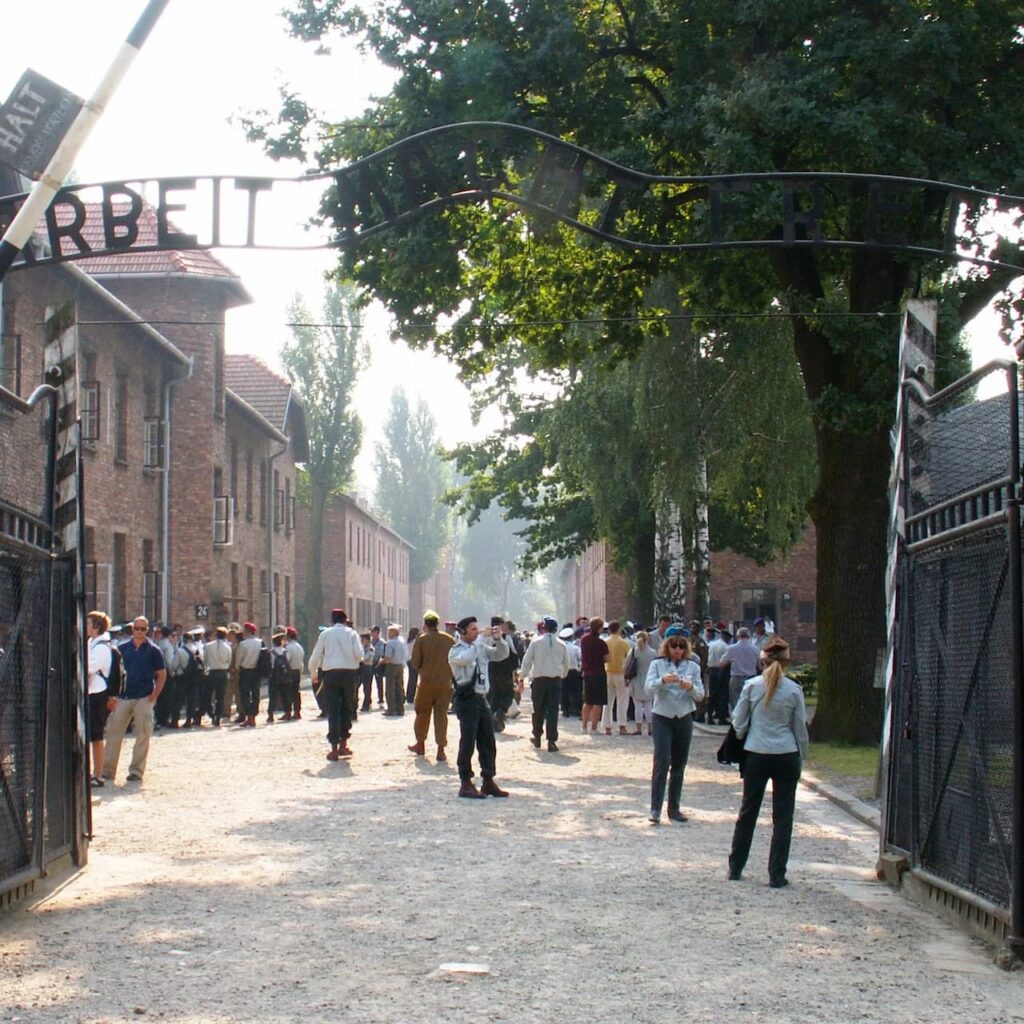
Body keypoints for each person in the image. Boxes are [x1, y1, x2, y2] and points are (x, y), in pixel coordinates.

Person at [728, 636, 809, 888]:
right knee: (783, 817)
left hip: (756, 753)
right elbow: (800, 729)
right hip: (786, 754)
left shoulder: (752, 686)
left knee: (748, 811)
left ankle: (736, 867)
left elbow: (738, 721)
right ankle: (776, 873)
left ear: (761, 661)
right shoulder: (794, 689)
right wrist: (801, 756)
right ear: (786, 662)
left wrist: (744, 737)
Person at [644, 633, 704, 824]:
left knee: (679, 763)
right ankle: (655, 808)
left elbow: (700, 695)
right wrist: (662, 681)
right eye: (673, 646)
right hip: (663, 715)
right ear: (667, 647)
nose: (677, 650)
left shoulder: (693, 667)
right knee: (661, 761)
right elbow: (648, 689)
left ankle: (674, 807)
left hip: (684, 716)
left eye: (680, 646)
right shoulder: (657, 665)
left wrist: (690, 687)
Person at [448, 616, 511, 798]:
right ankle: (465, 782)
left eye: (478, 629)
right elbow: (466, 660)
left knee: (488, 741)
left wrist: (499, 639)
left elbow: (500, 655)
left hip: (482, 698)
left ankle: (488, 780)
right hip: (467, 699)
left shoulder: (481, 647)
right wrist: (481, 640)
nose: (478, 632)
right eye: (473, 629)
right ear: (463, 632)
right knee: (468, 741)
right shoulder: (455, 651)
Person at [102, 616, 166, 783]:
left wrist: (155, 695)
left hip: (144, 697)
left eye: (142, 629)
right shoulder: (122, 648)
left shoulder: (153, 650)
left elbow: (161, 674)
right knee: (113, 733)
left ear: (147, 631)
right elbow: (113, 673)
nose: (139, 632)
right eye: (136, 628)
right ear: (132, 630)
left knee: (142, 735)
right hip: (123, 696)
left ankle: (136, 771)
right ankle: (108, 770)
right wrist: (112, 695)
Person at [307, 608, 363, 760]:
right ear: (345, 620)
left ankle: (333, 748)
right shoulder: (352, 634)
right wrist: (351, 661)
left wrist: (313, 673)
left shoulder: (325, 634)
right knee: (347, 708)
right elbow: (359, 655)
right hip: (349, 674)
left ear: (332, 621)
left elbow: (316, 655)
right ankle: (344, 743)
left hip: (331, 674)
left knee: (333, 710)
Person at [408, 611, 455, 761]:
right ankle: (441, 749)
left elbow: (415, 663)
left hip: (427, 682)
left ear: (425, 624)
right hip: (445, 683)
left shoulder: (421, 640)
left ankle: (420, 744)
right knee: (441, 715)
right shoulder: (449, 639)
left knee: (422, 713)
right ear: (437, 624)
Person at [520, 615, 569, 751]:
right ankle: (551, 740)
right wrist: (561, 676)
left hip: (539, 680)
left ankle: (537, 736)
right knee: (553, 711)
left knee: (538, 709)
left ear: (544, 628)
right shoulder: (561, 644)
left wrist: (521, 677)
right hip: (555, 681)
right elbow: (566, 665)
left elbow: (527, 661)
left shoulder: (535, 643)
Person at [85, 610, 115, 787]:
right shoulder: (92, 643)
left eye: (89, 624)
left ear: (97, 626)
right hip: (92, 692)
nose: (86, 627)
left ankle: (98, 774)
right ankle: (93, 771)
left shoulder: (102, 646)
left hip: (98, 693)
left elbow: (90, 667)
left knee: (97, 736)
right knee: (91, 734)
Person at [487, 616, 519, 732]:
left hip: (491, 671)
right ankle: (500, 713)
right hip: (504, 671)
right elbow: (514, 654)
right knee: (508, 695)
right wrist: (515, 670)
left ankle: (493, 723)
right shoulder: (505, 637)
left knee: (494, 695)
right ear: (500, 625)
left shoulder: (486, 638)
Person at [579, 617, 609, 735]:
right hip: (599, 673)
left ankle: (584, 726)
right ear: (600, 628)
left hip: (587, 673)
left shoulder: (584, 639)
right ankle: (594, 728)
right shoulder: (601, 642)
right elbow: (607, 658)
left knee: (587, 701)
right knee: (597, 702)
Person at [601, 620, 631, 736]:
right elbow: (629, 659)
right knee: (622, 700)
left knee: (608, 701)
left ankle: (607, 727)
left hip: (607, 672)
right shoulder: (624, 643)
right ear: (619, 629)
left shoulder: (605, 641)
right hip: (621, 673)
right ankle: (622, 726)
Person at [721, 626, 762, 712]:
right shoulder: (755, 649)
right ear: (749, 636)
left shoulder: (732, 648)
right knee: (750, 701)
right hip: (752, 677)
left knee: (736, 702)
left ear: (737, 636)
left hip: (737, 677)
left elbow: (722, 663)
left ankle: (736, 721)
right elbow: (760, 666)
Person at [627, 630, 659, 735]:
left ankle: (638, 728)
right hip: (649, 678)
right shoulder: (653, 652)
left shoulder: (633, 651)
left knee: (638, 706)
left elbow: (626, 664)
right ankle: (651, 728)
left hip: (636, 679)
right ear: (647, 639)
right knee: (649, 705)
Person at [203, 625, 233, 726]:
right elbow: (229, 661)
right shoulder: (228, 647)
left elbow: (205, 660)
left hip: (212, 672)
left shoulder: (208, 646)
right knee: (220, 696)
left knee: (208, 695)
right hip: (223, 673)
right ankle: (218, 716)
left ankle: (211, 713)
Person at [235, 622, 263, 727]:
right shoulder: (260, 642)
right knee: (256, 694)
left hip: (245, 671)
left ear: (247, 631)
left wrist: (237, 668)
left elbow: (238, 660)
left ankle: (249, 716)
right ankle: (253, 716)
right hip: (257, 671)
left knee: (245, 695)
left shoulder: (243, 644)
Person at [705, 624, 730, 725]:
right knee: (722, 695)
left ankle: (710, 717)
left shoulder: (712, 644)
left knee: (712, 694)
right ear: (726, 637)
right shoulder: (726, 647)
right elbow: (727, 661)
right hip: (722, 670)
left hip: (711, 670)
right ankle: (721, 718)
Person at [381, 624, 407, 715]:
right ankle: (400, 709)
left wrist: (381, 661)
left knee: (390, 688)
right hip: (400, 666)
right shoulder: (402, 642)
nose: (388, 634)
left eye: (389, 632)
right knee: (399, 688)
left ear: (393, 633)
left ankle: (391, 709)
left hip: (391, 666)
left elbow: (388, 658)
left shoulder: (390, 643)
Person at [559, 625, 583, 717]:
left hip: (562, 671)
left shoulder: (560, 647)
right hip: (573, 671)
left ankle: (565, 710)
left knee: (564, 691)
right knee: (575, 691)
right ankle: (576, 709)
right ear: (571, 637)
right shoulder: (575, 648)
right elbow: (581, 658)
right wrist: (580, 668)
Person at [283, 626, 305, 719]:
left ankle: (288, 712)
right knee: (296, 692)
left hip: (290, 671)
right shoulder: (299, 647)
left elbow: (287, 660)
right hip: (298, 671)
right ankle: (297, 711)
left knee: (288, 692)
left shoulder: (288, 647)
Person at [370, 625, 386, 708]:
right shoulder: (369, 641)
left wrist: (378, 662)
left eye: (373, 631)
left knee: (379, 683)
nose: (371, 633)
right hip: (369, 663)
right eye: (371, 631)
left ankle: (381, 700)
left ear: (377, 632)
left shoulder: (381, 642)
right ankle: (368, 700)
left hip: (377, 663)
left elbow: (381, 653)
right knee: (368, 683)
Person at [404, 626, 420, 704]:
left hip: (409, 661)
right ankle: (410, 696)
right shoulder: (415, 642)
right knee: (414, 679)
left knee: (411, 679)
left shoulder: (408, 641)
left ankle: (409, 695)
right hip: (413, 660)